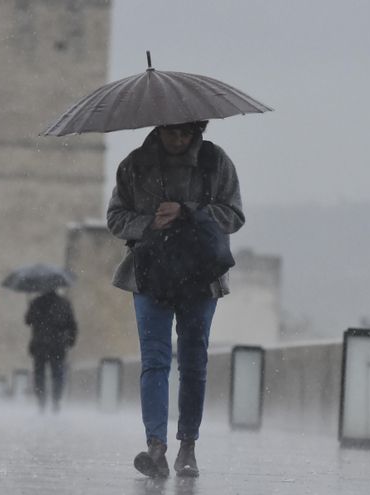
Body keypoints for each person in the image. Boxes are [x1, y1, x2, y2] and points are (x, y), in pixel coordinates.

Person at [106, 121, 244, 478]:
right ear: (159, 128)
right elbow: (116, 218)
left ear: (197, 129)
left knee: (194, 362)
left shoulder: (215, 162)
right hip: (151, 273)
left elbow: (234, 215)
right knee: (154, 361)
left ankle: (188, 446)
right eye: (171, 132)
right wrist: (151, 222)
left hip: (200, 275)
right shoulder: (134, 165)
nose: (179, 140)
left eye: (186, 133)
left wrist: (188, 212)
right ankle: (156, 447)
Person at [24, 290, 77, 413]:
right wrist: (70, 341)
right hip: (57, 345)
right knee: (57, 374)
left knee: (39, 374)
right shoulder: (64, 303)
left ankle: (41, 401)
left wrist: (29, 307)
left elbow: (28, 321)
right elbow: (72, 325)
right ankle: (56, 400)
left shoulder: (36, 303)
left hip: (40, 344)